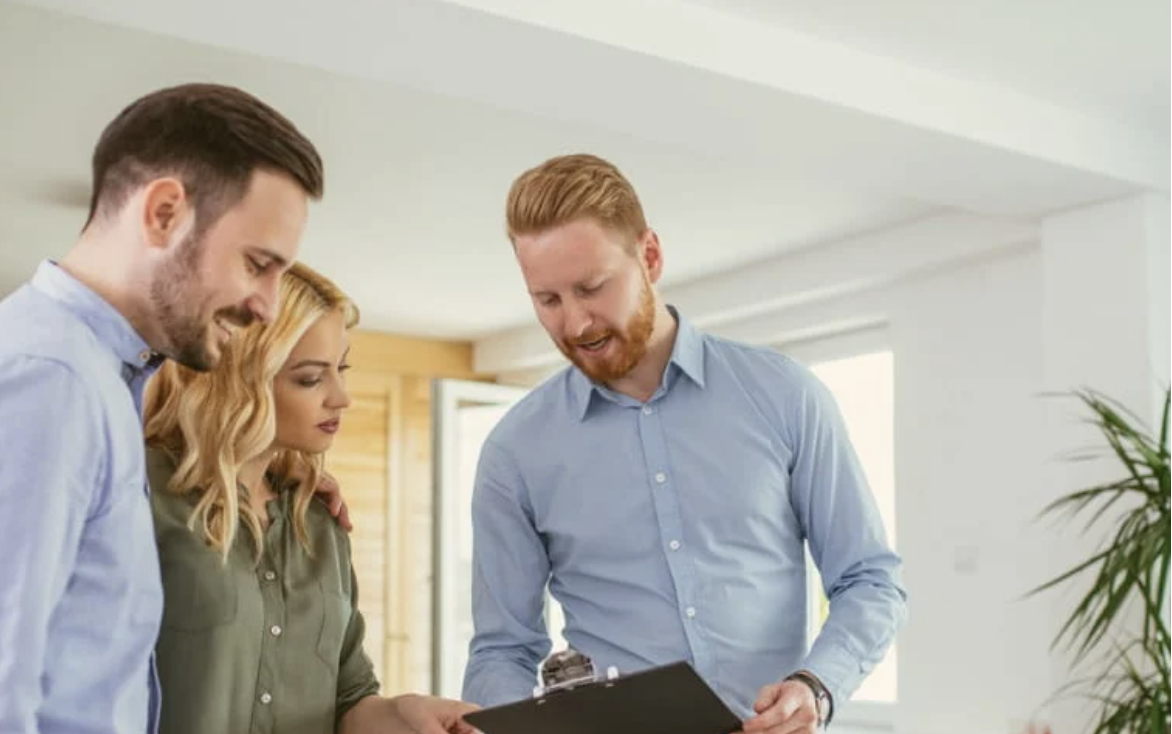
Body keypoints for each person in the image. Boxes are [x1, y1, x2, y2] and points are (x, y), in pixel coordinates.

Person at [462, 154, 908, 732]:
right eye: (547, 300)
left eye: (591, 288)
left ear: (649, 256)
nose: (575, 324)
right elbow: (502, 650)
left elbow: (870, 580)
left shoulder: (785, 396)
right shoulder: (514, 453)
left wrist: (816, 687)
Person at [0, 83, 322, 734]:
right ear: (165, 212)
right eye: (258, 265)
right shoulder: (50, 380)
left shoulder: (109, 378)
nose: (265, 305)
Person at [142, 262, 478, 734]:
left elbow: (348, 696)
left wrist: (403, 711)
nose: (342, 397)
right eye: (310, 378)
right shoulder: (140, 492)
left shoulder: (318, 521)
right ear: (240, 378)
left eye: (340, 369)